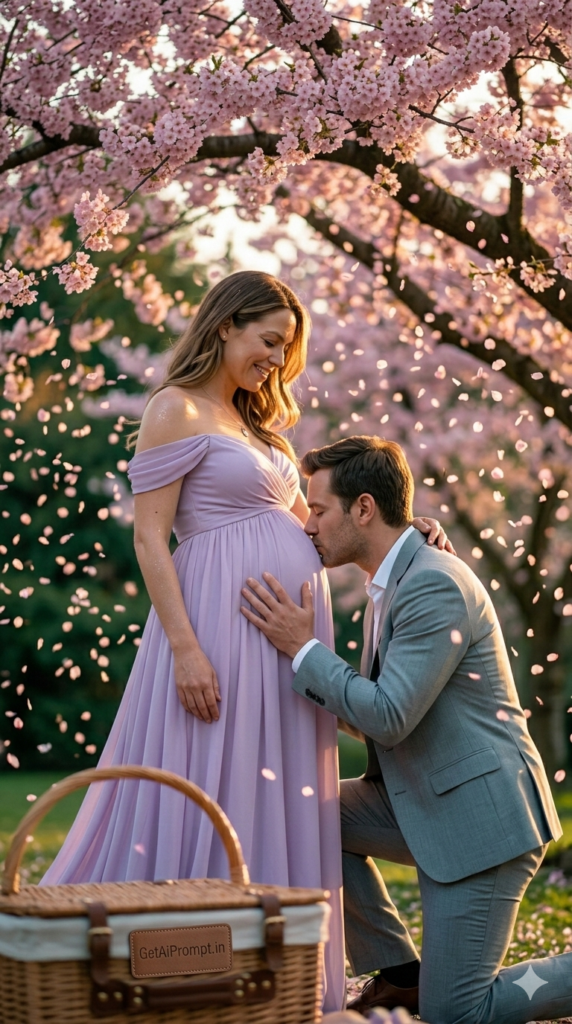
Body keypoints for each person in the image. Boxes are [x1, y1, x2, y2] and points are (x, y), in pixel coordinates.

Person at [41, 275, 447, 1012]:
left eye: (285, 348)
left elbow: (312, 524)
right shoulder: (176, 408)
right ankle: (186, 964)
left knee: (288, 792)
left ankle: (278, 971)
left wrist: (401, 531)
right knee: (217, 778)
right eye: (268, 342)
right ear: (226, 326)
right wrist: (186, 648)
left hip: (285, 646)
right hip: (218, 634)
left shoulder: (261, 429)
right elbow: (149, 537)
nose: (276, 360)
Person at [240, 434, 571, 1024]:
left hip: (481, 824)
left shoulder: (432, 583)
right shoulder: (391, 584)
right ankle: (400, 975)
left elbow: (389, 717)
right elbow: (377, 715)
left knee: (456, 1015)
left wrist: (303, 649)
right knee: (305, 808)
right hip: (421, 801)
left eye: (318, 510)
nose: (307, 525)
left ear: (363, 508)